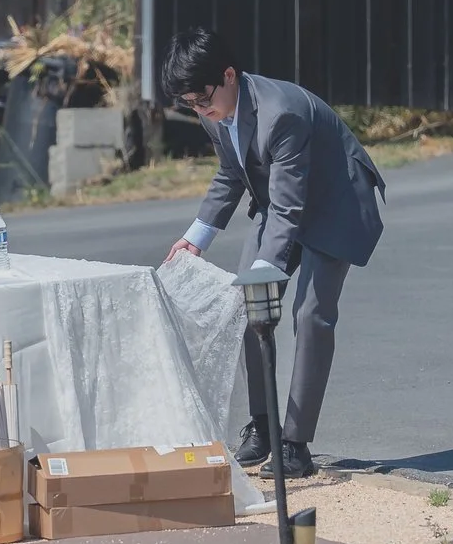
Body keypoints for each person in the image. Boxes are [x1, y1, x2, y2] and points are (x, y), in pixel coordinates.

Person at [161, 26, 384, 480]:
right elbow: (230, 172)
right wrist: (197, 236)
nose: (201, 110)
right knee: (248, 304)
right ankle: (262, 426)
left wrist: (268, 267)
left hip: (333, 203)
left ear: (228, 75)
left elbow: (290, 204)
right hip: (279, 202)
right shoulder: (211, 106)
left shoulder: (281, 113)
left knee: (310, 315)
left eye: (203, 99)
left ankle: (296, 443)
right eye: (190, 104)